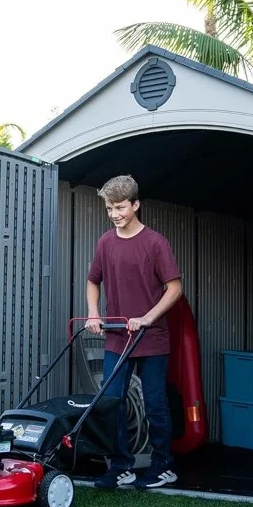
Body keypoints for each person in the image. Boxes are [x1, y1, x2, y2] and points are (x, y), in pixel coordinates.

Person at [86, 175, 183, 490]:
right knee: (111, 402)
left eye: (121, 207)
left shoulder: (155, 243)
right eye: (110, 208)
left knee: (155, 403)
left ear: (136, 205)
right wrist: (93, 314)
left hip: (151, 338)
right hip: (117, 337)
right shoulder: (105, 242)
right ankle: (121, 466)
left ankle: (163, 466)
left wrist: (147, 317)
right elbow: (93, 281)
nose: (115, 214)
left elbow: (174, 288)